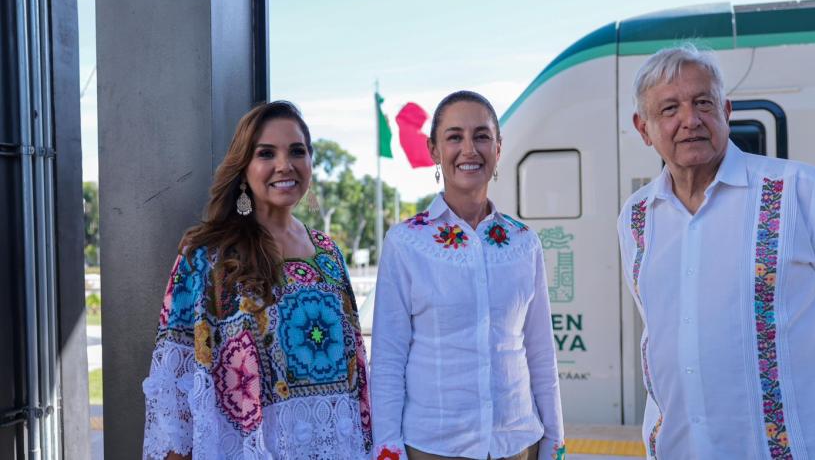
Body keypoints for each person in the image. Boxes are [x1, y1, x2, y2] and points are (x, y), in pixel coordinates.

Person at [617, 43, 815, 459]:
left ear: (726, 111)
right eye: (669, 109)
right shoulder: (636, 216)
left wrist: (799, 407)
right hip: (678, 447)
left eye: (703, 102)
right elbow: (661, 331)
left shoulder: (800, 191)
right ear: (643, 128)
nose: (690, 120)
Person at [142, 101, 372, 459]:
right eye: (266, 153)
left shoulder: (329, 255)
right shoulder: (207, 256)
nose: (285, 165)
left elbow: (356, 373)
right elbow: (177, 390)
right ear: (244, 168)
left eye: (297, 151)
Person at [370, 91, 565, 460]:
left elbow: (540, 350)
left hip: (517, 443)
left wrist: (555, 439)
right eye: (454, 136)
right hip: (432, 447)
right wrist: (387, 447)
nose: (469, 149)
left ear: (498, 147)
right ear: (434, 150)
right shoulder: (405, 243)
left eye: (481, 136)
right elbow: (388, 358)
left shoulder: (525, 243)